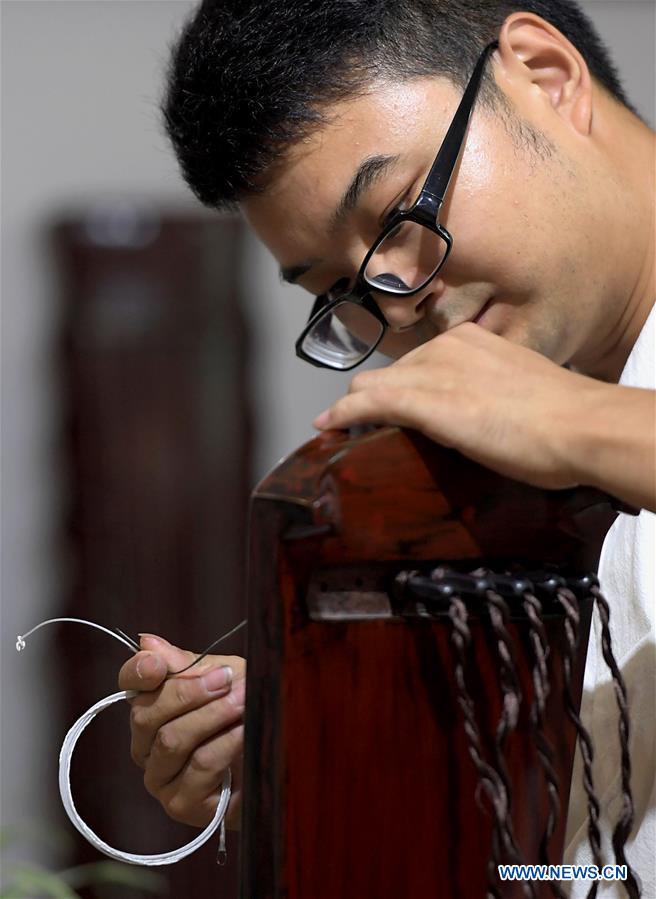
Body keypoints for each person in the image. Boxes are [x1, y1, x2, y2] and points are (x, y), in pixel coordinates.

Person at [118, 0, 655, 893]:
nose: (397, 297)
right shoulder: (510, 475)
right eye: (338, 287)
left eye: (402, 209)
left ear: (545, 77)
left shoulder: (567, 426)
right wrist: (344, 753)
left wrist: (574, 424)